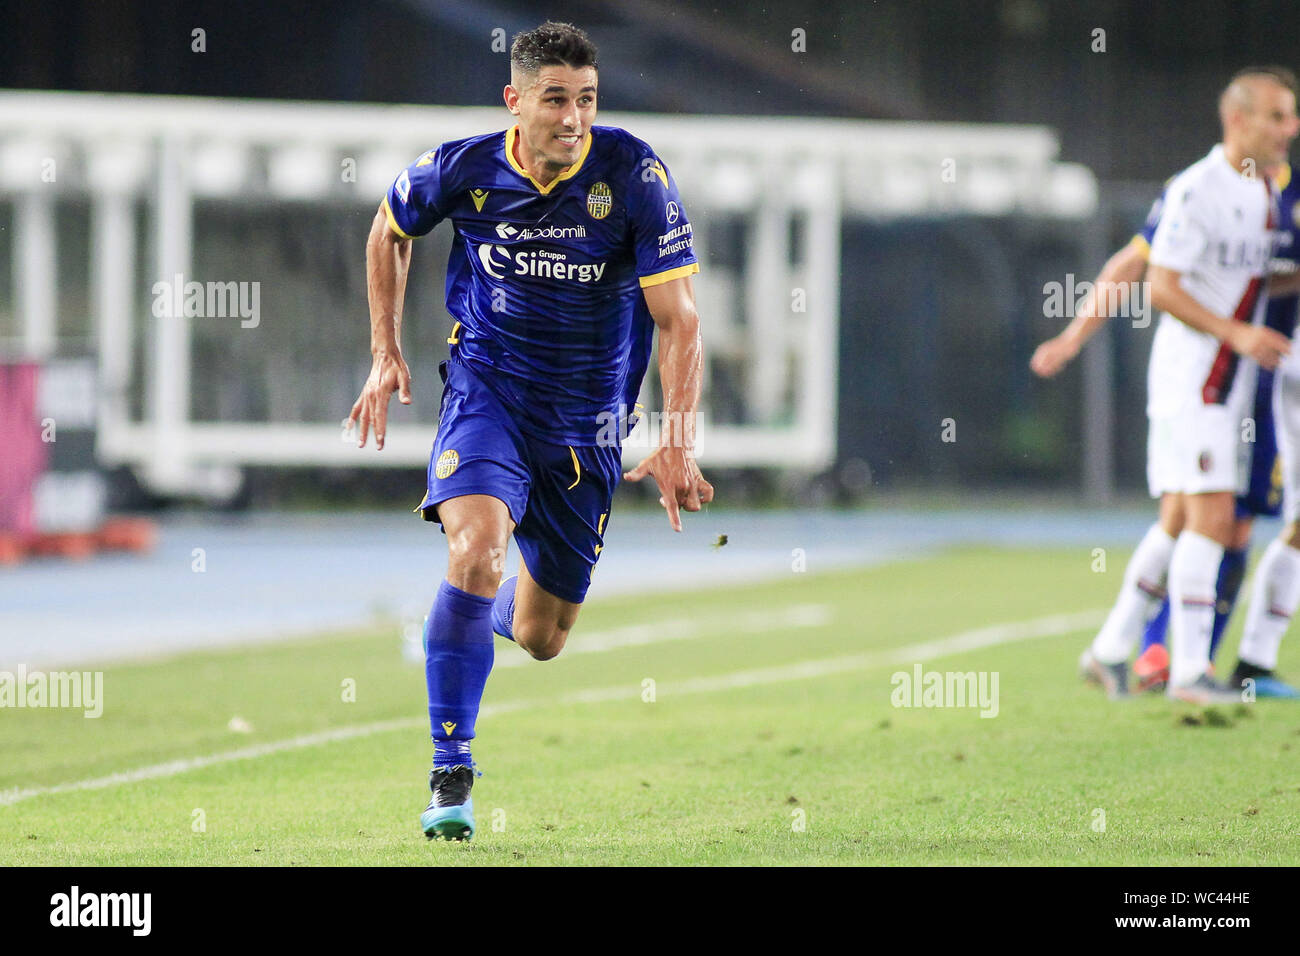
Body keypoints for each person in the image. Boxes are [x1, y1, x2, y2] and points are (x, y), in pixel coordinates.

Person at [346, 21, 714, 840]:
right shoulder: (463, 166)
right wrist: (384, 353)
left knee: (545, 637)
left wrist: (678, 437)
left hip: (586, 429)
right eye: (556, 99)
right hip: (488, 397)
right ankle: (452, 768)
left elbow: (679, 322)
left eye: (586, 99)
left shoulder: (634, 175)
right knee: (474, 552)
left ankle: (473, 615)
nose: (574, 117)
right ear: (515, 101)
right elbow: (388, 231)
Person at [1076, 68, 1296, 703]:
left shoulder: (1263, 195)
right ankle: (1192, 674)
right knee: (1215, 518)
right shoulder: (1198, 190)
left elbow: (1251, 280)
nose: (1291, 128)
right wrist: (1237, 335)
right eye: (1278, 116)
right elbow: (1160, 284)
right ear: (1238, 120)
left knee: (1178, 517)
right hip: (1193, 379)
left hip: (1225, 382)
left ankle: (1110, 649)